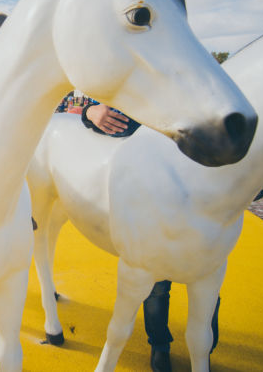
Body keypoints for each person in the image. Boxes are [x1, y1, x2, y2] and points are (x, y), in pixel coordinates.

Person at [81, 100, 218, 372]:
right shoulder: (149, 89)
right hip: (162, 198)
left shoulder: (203, 92)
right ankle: (159, 344)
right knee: (156, 280)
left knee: (208, 275)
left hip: (206, 200)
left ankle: (204, 348)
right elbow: (118, 112)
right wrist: (89, 112)